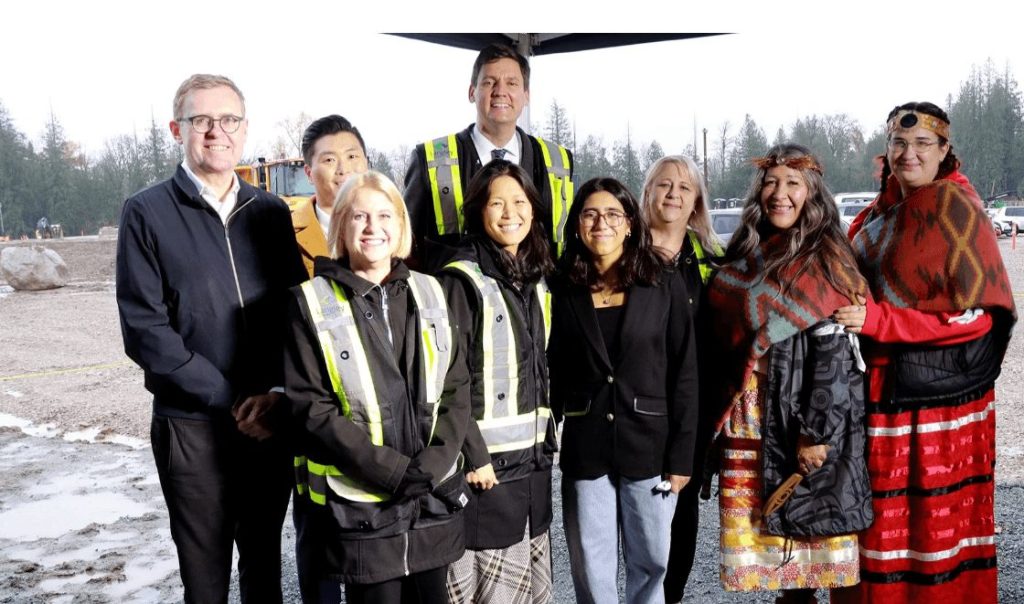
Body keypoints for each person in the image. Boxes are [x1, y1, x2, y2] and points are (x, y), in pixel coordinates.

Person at [115, 73, 306, 603]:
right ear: (178, 129)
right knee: (205, 579)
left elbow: (296, 314)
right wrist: (229, 397)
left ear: (244, 131)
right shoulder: (147, 212)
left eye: (228, 120)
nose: (215, 131)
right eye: (202, 120)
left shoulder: (269, 212)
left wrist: (278, 397)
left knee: (265, 565)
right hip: (192, 427)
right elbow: (145, 330)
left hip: (266, 423)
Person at [832, 102, 1015, 603]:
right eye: (898, 143)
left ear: (944, 152)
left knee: (934, 529)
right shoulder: (874, 215)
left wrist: (879, 321)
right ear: (886, 150)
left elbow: (976, 315)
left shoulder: (958, 209)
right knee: (874, 530)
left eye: (921, 145)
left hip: (941, 403)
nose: (908, 153)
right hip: (879, 396)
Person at [283, 170, 471, 604]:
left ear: (401, 226)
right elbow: (313, 410)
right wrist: (392, 472)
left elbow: (456, 386)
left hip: (431, 504)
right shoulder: (309, 303)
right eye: (360, 217)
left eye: (385, 215)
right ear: (341, 226)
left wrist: (436, 462)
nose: (373, 227)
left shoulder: (433, 293)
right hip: (365, 513)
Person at [705, 144, 873, 603]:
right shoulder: (745, 251)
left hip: (804, 417)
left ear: (812, 193)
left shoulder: (829, 258)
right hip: (748, 419)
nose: (780, 194)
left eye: (792, 183)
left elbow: (839, 356)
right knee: (779, 571)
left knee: (812, 557)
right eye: (771, 183)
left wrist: (817, 433)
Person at [548, 177, 698, 604]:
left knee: (652, 562)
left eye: (613, 214)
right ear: (577, 224)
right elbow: (552, 364)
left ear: (630, 223)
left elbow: (685, 371)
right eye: (590, 214)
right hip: (586, 447)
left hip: (649, 446)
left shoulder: (662, 283)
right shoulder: (561, 286)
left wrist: (682, 456)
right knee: (591, 567)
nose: (602, 223)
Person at [438, 160, 558, 604]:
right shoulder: (463, 279)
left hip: (531, 472)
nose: (511, 213)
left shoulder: (535, 278)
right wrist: (473, 454)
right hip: (485, 475)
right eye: (497, 203)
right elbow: (450, 378)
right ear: (478, 211)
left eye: (520, 201)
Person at [403, 43, 574, 272]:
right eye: (489, 82)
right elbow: (404, 245)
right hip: (458, 300)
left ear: (526, 95)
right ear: (472, 92)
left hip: (537, 301)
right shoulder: (429, 159)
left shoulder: (558, 161)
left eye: (512, 83)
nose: (500, 91)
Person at [640, 155, 723, 603]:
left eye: (684, 188)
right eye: (664, 184)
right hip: (632, 411)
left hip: (690, 412)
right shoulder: (620, 255)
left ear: (696, 203)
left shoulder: (712, 263)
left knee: (680, 513)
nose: (673, 194)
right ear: (647, 192)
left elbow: (760, 323)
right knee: (632, 520)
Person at [292, 114, 370, 277]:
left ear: (366, 163)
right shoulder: (284, 236)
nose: (344, 169)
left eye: (352, 156)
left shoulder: (394, 228)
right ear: (309, 173)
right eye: (329, 160)